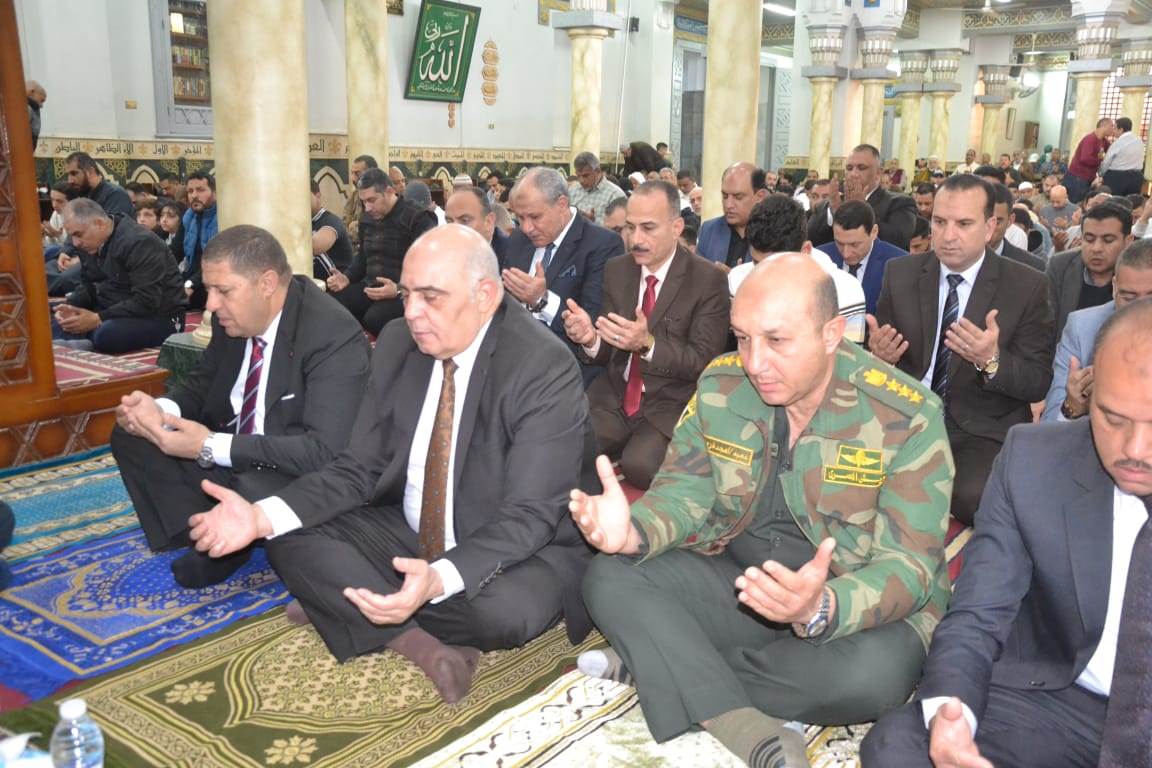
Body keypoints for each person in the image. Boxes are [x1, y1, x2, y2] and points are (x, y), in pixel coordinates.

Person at [184, 225, 600, 704]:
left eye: (430, 297)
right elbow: (357, 468)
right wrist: (259, 518)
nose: (411, 312)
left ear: (485, 296)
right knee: (284, 526)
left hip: (516, 549)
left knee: (503, 615)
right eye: (406, 295)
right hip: (409, 529)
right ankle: (416, 641)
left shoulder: (541, 365)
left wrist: (438, 577)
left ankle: (346, 601)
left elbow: (529, 516)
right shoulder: (401, 342)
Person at [575, 253, 953, 768]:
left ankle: (660, 661)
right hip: (741, 585)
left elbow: (909, 565)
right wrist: (633, 532)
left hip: (847, 604)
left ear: (831, 334)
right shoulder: (721, 385)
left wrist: (819, 607)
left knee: (875, 679)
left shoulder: (906, 415)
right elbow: (684, 492)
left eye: (776, 341)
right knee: (609, 574)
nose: (754, 363)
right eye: (742, 338)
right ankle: (742, 726)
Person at [862, 296, 1152, 768]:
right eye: (1113, 418)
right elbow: (979, 613)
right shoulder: (1035, 461)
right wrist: (953, 715)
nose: (1135, 449)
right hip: (1060, 702)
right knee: (900, 746)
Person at [110, 225, 370, 587]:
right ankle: (196, 531)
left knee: (255, 484)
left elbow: (325, 452)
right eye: (209, 290)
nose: (211, 305)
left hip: (288, 467)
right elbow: (201, 384)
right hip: (234, 451)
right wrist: (161, 411)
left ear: (266, 283)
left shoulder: (332, 334)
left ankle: (230, 540)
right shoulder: (231, 318)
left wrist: (208, 445)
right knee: (133, 434)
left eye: (223, 291)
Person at [867, 174, 1054, 526]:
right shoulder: (901, 273)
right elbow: (882, 352)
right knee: (851, 480)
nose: (948, 235)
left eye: (963, 224)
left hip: (979, 426)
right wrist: (880, 357)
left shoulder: (1027, 285)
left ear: (989, 227)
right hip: (906, 415)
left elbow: (1037, 381)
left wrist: (989, 361)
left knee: (975, 498)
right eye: (939, 222)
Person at [563, 181, 729, 490]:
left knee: (640, 466)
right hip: (616, 396)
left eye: (648, 228)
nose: (636, 239)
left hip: (670, 401)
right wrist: (590, 339)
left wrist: (647, 345)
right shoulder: (617, 269)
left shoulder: (708, 280)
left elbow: (703, 363)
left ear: (676, 228)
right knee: (569, 443)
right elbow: (610, 349)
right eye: (630, 227)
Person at [504, 167, 618, 364]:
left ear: (561, 205)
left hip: (567, 367)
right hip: (514, 363)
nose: (526, 228)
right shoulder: (518, 239)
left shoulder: (602, 244)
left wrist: (541, 300)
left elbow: (593, 323)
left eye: (535, 217)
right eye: (520, 218)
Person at [52, 199, 187, 353]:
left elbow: (146, 300)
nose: (75, 243)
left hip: (160, 316)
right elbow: (89, 284)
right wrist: (70, 307)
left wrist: (98, 318)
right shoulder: (88, 243)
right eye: (72, 236)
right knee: (56, 321)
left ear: (99, 224)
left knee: (106, 334)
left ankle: (84, 339)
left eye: (78, 234)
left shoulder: (140, 242)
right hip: (114, 308)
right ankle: (82, 337)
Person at [729, 195, 867, 344]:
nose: (765, 275)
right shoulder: (738, 282)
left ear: (805, 250)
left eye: (777, 266)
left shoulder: (846, 293)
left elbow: (848, 357)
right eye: (757, 263)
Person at [1041, 239, 1152, 422]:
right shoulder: (1081, 327)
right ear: (1114, 288)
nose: (1140, 310)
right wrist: (1072, 407)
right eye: (1129, 298)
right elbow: (1051, 421)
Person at [328, 167, 437, 335]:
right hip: (371, 287)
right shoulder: (367, 218)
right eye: (364, 202)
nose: (368, 208)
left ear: (389, 191)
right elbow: (363, 257)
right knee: (333, 303)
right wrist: (346, 277)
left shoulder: (418, 217)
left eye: (372, 200)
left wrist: (398, 289)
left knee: (375, 318)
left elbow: (428, 267)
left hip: (406, 292)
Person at [1046, 202, 1133, 341]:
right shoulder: (1060, 266)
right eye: (1089, 239)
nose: (1096, 248)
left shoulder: (1140, 272)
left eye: (1108, 240)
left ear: (1128, 241)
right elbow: (1046, 326)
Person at [808, 144, 918, 251]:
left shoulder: (900, 202)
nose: (853, 174)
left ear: (878, 173)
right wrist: (835, 212)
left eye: (861, 168)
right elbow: (810, 239)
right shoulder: (830, 203)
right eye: (849, 168)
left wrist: (861, 210)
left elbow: (898, 240)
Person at [817, 200, 906, 317]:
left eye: (854, 245)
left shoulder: (900, 264)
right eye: (839, 243)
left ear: (874, 232)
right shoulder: (819, 258)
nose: (846, 253)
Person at [696, 162, 769, 267]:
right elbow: (697, 272)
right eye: (725, 196)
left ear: (760, 196)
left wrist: (735, 276)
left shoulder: (775, 234)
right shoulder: (709, 230)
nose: (728, 205)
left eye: (738, 197)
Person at [180, 171, 217, 309]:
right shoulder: (189, 217)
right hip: (192, 279)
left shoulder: (222, 218)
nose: (194, 195)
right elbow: (175, 251)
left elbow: (217, 260)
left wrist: (190, 284)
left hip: (213, 283)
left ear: (214, 193)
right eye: (190, 191)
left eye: (200, 190)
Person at [988, 183, 1045, 271]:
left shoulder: (1032, 266)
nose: (990, 229)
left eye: (997, 223)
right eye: (984, 220)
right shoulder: (963, 260)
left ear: (1010, 220)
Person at [63, 152, 133, 219]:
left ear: (90, 171)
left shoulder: (115, 194)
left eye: (74, 173)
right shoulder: (85, 196)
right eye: (68, 175)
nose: (70, 181)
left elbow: (112, 226)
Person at [309, 179, 354, 279]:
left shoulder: (331, 220)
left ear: (318, 196)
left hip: (340, 284)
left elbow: (316, 246)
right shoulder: (304, 224)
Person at [1064, 118, 1114, 204]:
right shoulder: (1090, 139)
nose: (1113, 129)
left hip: (1087, 178)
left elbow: (1111, 151)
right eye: (1111, 126)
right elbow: (1085, 159)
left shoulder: (1104, 141)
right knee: (1075, 204)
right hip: (1077, 178)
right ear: (1103, 126)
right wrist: (1100, 160)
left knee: (1084, 203)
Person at [568, 152, 626, 225]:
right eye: (578, 176)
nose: (581, 181)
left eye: (585, 176)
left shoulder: (615, 195)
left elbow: (620, 226)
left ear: (597, 172)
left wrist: (593, 223)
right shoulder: (572, 191)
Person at [1100, 116, 1146, 196]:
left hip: (1117, 178)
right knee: (1130, 201)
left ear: (1121, 129)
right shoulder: (1140, 141)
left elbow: (1106, 162)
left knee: (1113, 201)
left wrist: (1101, 174)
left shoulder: (1118, 143)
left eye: (1115, 128)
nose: (1113, 131)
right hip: (1137, 178)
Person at [342, 154, 377, 245]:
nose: (353, 178)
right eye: (352, 173)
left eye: (357, 173)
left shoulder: (381, 196)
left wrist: (356, 225)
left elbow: (375, 229)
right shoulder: (354, 196)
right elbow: (343, 227)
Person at [26, 79, 46, 147]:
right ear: (31, 92)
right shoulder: (26, 108)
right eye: (41, 100)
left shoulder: (32, 107)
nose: (41, 106)